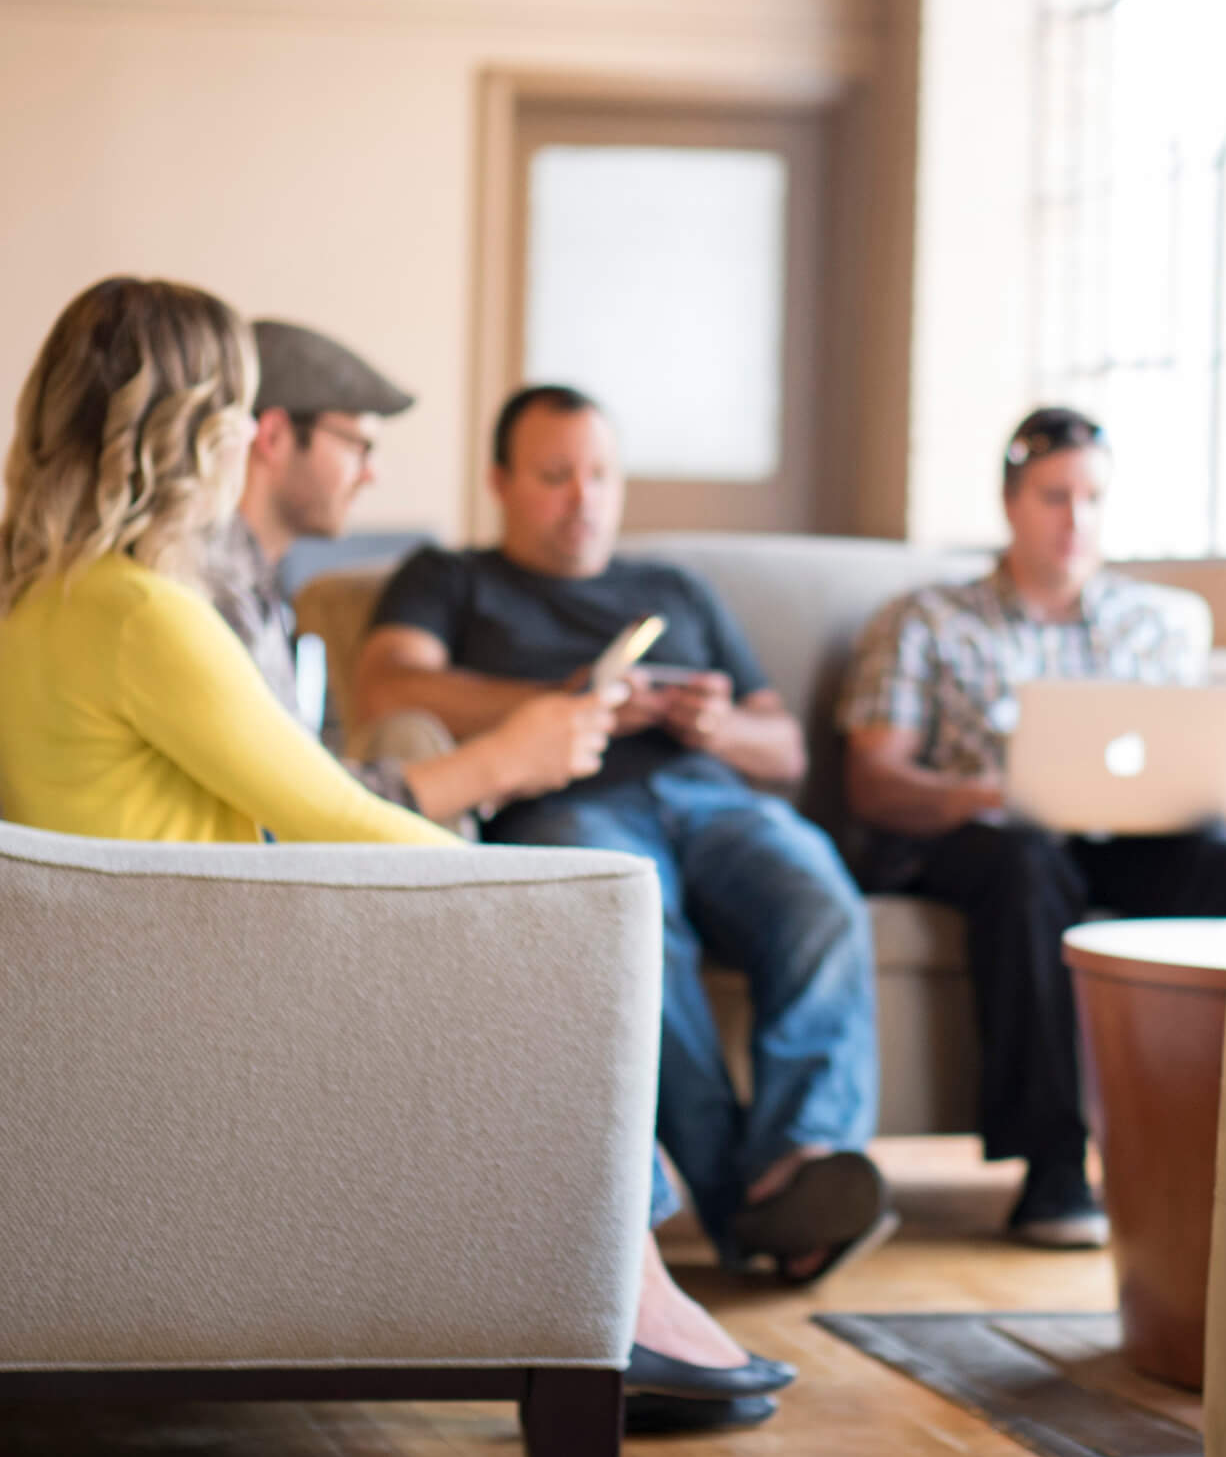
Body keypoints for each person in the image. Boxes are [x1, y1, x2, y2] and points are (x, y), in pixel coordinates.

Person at [0, 281, 793, 1433]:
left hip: (160, 960)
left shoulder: (51, 600)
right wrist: (527, 897)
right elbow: (330, 814)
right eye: (238, 416)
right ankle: (631, 1309)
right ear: (206, 432)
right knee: (556, 970)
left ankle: (630, 1302)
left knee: (538, 964)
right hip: (194, 990)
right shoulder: (137, 613)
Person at [352, 385, 891, 1282]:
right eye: (555, 476)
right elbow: (387, 690)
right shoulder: (448, 578)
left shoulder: (675, 588)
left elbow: (785, 749)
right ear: (500, 481)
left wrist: (717, 728)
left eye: (599, 475)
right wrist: (563, 699)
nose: (583, 499)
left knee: (817, 889)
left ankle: (804, 1157)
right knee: (642, 928)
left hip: (711, 798)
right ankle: (746, 1209)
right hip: (567, 804)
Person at [838, 408, 1226, 1248]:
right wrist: (980, 794)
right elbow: (873, 782)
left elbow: (1176, 756)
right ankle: (1052, 1167)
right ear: (1011, 501)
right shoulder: (925, 620)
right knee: (1026, 860)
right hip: (979, 840)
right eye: (1054, 496)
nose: (1075, 519)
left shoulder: (1153, 625)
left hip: (1121, 841)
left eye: (1092, 498)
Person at [211, 319, 608, 827]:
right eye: (358, 445)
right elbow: (290, 810)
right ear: (273, 436)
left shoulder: (260, 583)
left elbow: (311, 776)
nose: (371, 473)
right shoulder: (214, 591)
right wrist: (499, 763)